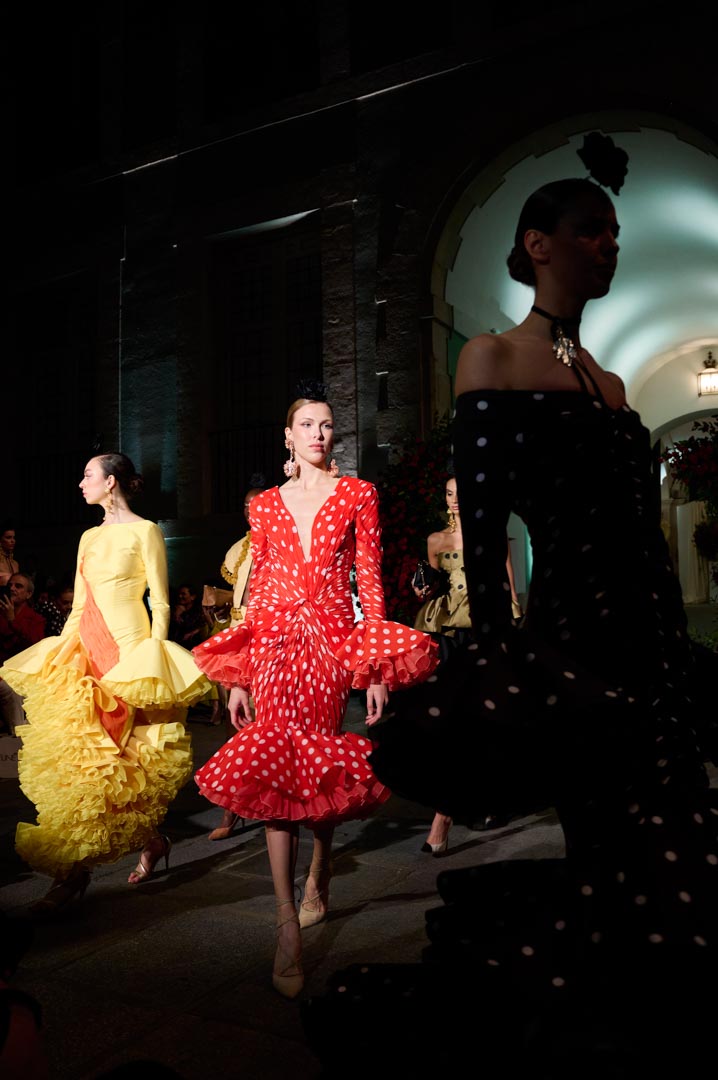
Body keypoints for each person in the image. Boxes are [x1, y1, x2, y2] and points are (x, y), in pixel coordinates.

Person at [370, 176, 717, 994]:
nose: (609, 244)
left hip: (652, 631)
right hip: (578, 634)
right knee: (606, 830)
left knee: (675, 817)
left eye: (614, 232)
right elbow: (483, 525)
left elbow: (640, 529)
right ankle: (617, 997)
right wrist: (501, 661)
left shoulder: (611, 382)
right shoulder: (490, 355)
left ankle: (657, 988)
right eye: (592, 229)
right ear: (537, 244)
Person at [192, 382, 438, 998]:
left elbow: (370, 584)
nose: (319, 434)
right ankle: (285, 923)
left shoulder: (358, 494)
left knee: (318, 761)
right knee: (277, 763)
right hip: (274, 644)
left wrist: (374, 669)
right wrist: (240, 675)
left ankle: (320, 872)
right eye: (307, 424)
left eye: (326, 425)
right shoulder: (265, 506)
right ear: (288, 436)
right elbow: (258, 589)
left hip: (328, 645)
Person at [1, 452, 210, 911]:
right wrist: (64, 652)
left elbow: (160, 600)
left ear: (111, 481)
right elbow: (80, 603)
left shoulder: (145, 530)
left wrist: (153, 659)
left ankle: (147, 842)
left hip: (131, 652)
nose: (81, 483)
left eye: (88, 475)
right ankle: (75, 873)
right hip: (87, 651)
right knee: (83, 761)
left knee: (121, 757)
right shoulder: (88, 536)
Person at [413, 478, 521, 853]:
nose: (455, 500)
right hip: (446, 630)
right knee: (451, 716)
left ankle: (459, 809)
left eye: (461, 493)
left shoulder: (491, 534)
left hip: (484, 626)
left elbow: (508, 583)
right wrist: (421, 587)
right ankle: (450, 808)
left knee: (482, 714)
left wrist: (512, 628)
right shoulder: (435, 540)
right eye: (449, 493)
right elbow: (430, 588)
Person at [204, 481, 265, 840]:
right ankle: (233, 806)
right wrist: (222, 603)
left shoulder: (283, 540)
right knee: (234, 723)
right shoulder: (239, 548)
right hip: (239, 638)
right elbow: (239, 594)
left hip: (269, 636)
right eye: (245, 505)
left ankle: (271, 798)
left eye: (256, 504)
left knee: (268, 721)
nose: (249, 511)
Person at [0, 575, 45, 735]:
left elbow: (34, 646)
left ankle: (18, 733)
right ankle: (18, 731)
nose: (12, 588)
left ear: (28, 594)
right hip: (2, 670)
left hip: (25, 671)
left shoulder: (36, 619)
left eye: (18, 586)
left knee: (13, 687)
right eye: (10, 585)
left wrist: (13, 621)